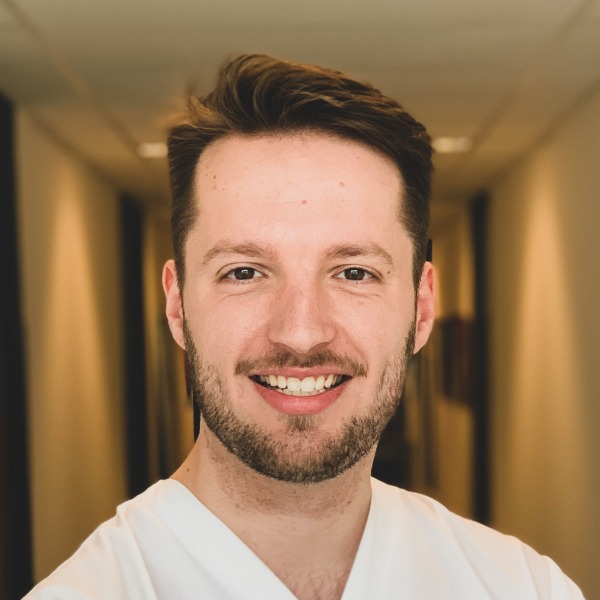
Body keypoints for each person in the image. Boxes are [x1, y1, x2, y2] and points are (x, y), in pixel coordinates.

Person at [25, 54, 583, 600]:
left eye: (354, 272)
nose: (300, 333)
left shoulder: (524, 587)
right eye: (243, 272)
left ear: (422, 309)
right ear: (178, 306)